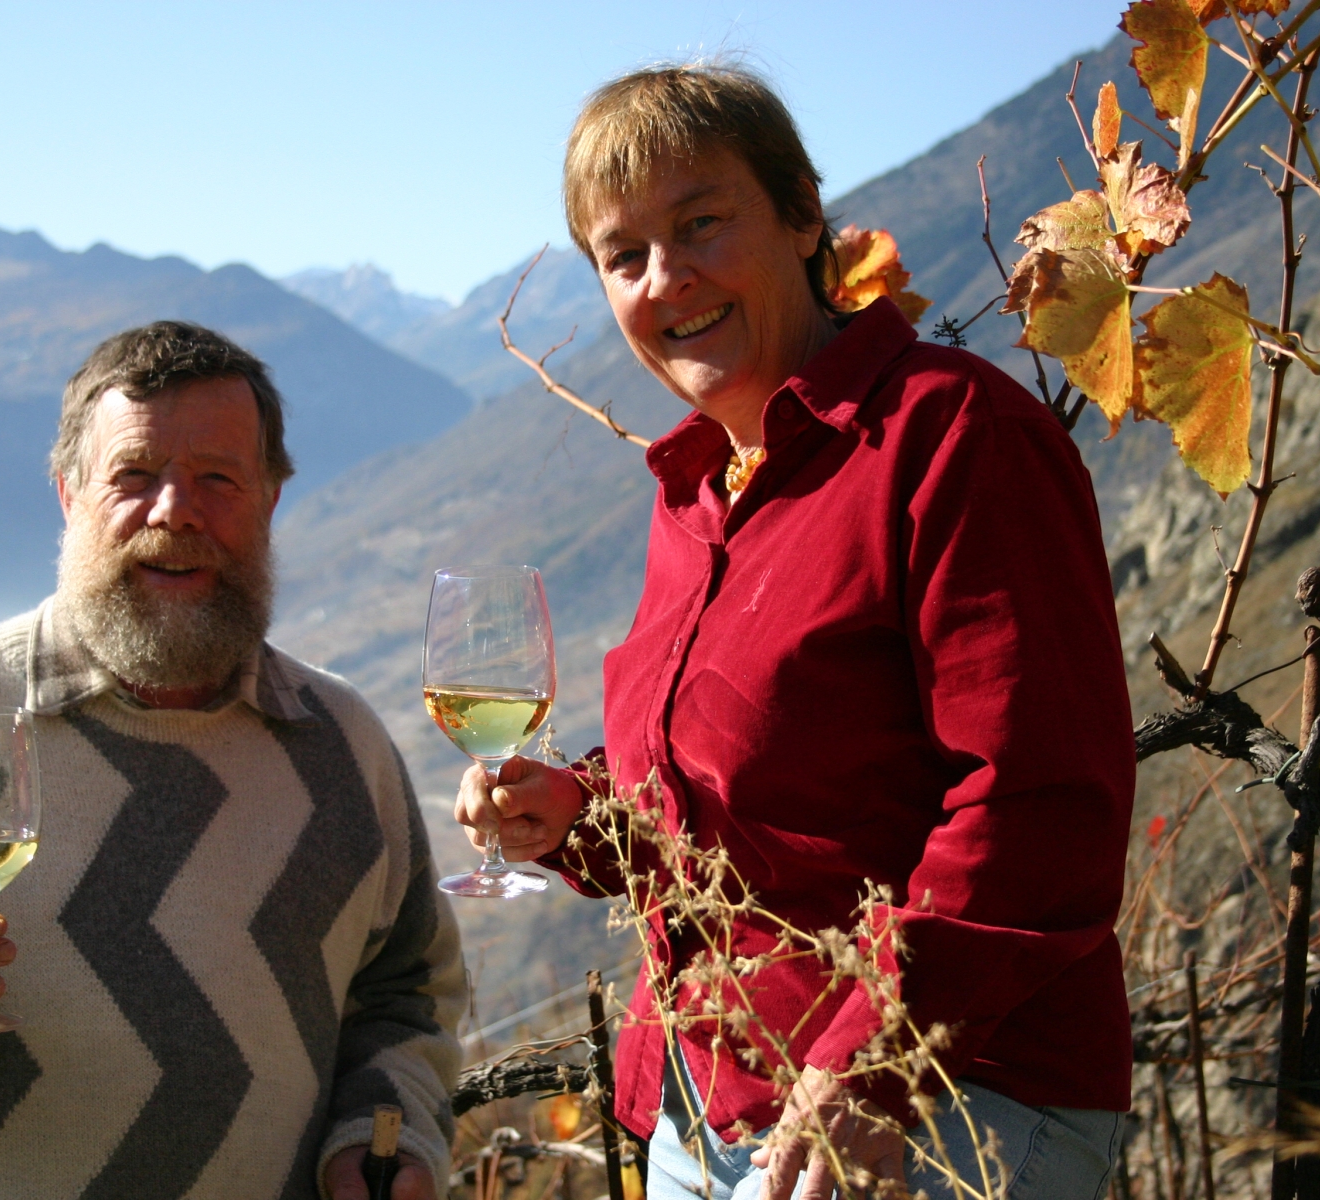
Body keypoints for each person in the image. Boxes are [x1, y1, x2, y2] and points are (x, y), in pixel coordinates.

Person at [453, 66, 1136, 1200]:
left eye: (702, 222)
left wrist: (873, 1062)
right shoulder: (695, 492)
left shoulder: (950, 437)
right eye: (624, 256)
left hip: (943, 1101)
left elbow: (1038, 804)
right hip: (710, 1109)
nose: (667, 278)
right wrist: (577, 815)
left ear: (804, 214)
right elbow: (751, 805)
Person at [0, 322, 465, 1200]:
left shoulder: (342, 745)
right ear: (70, 495)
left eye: (218, 479)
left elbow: (407, 993)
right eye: (134, 476)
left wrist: (384, 1134)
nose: (174, 510)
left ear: (270, 499)